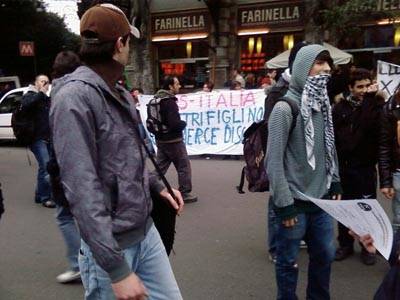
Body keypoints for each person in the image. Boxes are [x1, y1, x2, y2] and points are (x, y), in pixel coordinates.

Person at [50, 4, 184, 299]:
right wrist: (116, 269)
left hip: (146, 231)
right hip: (110, 247)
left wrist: (159, 186)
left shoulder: (119, 92)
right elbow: (81, 188)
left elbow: (132, 158)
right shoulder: (73, 99)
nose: (130, 47)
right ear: (120, 44)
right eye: (129, 40)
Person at [266, 44, 342, 300]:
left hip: (320, 203)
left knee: (324, 257)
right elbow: (273, 162)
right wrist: (285, 205)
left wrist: (335, 182)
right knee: (288, 262)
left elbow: (327, 148)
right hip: (294, 206)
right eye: (319, 63)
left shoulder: (323, 105)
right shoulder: (284, 108)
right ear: (301, 68)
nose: (327, 69)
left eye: (328, 63)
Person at [263, 41, 309, 263]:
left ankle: (296, 235)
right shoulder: (278, 92)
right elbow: (270, 129)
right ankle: (275, 247)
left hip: (302, 161)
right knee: (277, 201)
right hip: (281, 157)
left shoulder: (313, 90)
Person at [332, 68, 382, 265]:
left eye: (367, 86)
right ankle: (345, 244)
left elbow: (369, 128)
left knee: (366, 208)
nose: (363, 90)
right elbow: (342, 139)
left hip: (366, 167)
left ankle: (367, 246)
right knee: (345, 208)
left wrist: (369, 101)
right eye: (359, 87)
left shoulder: (376, 106)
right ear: (350, 88)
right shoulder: (340, 109)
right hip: (345, 167)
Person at [50, 50, 82, 283]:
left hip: (67, 168)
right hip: (81, 166)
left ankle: (78, 262)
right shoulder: (85, 88)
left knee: (65, 216)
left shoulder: (60, 92)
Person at [153, 75, 198, 203]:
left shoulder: (157, 99)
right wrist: (183, 124)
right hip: (173, 141)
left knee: (160, 167)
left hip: (161, 140)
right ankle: (184, 193)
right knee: (183, 166)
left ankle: (147, 187)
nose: (179, 86)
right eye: (177, 84)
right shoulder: (169, 102)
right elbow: (174, 124)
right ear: (170, 86)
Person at [21, 74, 55, 208]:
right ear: (36, 83)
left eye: (47, 82)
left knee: (46, 167)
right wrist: (41, 93)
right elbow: (27, 104)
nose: (45, 84)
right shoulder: (30, 95)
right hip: (36, 138)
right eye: (42, 81)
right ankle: (45, 197)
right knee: (46, 166)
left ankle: (39, 194)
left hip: (48, 138)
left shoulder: (46, 99)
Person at [379, 88, 400, 234]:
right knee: (399, 219)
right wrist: (386, 181)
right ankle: (396, 253)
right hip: (399, 171)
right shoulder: (391, 107)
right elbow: (384, 146)